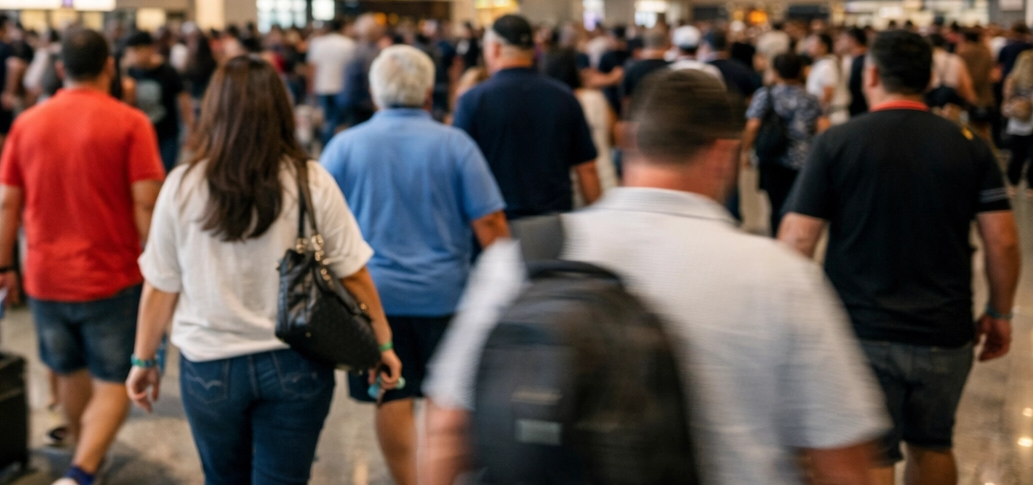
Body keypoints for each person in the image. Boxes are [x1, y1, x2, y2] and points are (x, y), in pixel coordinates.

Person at [420, 69, 888, 485]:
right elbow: (842, 465)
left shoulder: (522, 259)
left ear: (626, 139)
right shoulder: (781, 278)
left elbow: (446, 430)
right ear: (724, 153)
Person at [126, 55, 402, 485]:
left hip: (209, 365)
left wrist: (144, 360)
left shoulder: (182, 185)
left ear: (213, 111)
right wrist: (382, 343)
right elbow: (353, 273)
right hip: (297, 358)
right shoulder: (310, 180)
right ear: (280, 109)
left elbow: (161, 285)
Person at [780, 30, 1021, 485]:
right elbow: (1003, 241)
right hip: (944, 329)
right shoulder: (969, 144)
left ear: (870, 75)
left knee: (872, 452)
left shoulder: (837, 142)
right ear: (929, 79)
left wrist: (788, 318)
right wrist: (1000, 312)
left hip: (859, 328)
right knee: (934, 443)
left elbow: (798, 237)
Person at [0, 28, 166, 485]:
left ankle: (84, 455)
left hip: (45, 277)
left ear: (60, 68)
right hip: (112, 276)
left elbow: (5, 203)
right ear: (110, 67)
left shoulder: (27, 123)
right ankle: (82, 470)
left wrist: (0, 267)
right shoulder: (130, 123)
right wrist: (162, 267)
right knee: (114, 378)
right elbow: (146, 203)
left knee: (68, 370)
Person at [320, 45, 507, 485]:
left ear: (374, 93)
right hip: (446, 296)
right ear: (428, 92)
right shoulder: (455, 144)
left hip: (373, 301)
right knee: (449, 395)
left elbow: (317, 223)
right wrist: (508, 283)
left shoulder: (345, 146)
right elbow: (490, 222)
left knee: (391, 395)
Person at [453, 14, 600, 226]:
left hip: (497, 226)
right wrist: (599, 222)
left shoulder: (473, 101)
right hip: (555, 225)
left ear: (494, 49)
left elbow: (460, 172)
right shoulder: (564, 96)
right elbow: (587, 169)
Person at [743, 52, 827, 235]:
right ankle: (791, 236)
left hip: (772, 158)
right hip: (802, 160)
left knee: (775, 204)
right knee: (795, 204)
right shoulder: (810, 98)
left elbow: (753, 125)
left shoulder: (765, 94)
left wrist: (745, 151)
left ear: (775, 72)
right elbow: (823, 127)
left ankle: (777, 237)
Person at [542, 47, 618, 195]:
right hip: (606, 181)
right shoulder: (595, 98)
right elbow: (613, 138)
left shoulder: (548, 106)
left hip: (571, 188)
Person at [122, 30, 192, 171]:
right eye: (130, 52)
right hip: (140, 135)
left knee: (164, 171)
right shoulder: (128, 73)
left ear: (150, 49)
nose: (133, 56)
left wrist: (191, 128)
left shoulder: (168, 72)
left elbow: (183, 100)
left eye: (137, 51)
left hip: (167, 134)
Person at [305, 18, 356, 137]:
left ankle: (327, 140)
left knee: (328, 120)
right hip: (342, 87)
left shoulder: (318, 43)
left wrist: (310, 86)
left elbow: (312, 67)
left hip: (323, 86)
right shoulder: (348, 44)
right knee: (340, 121)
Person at [1002, 49, 1033, 195]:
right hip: (1027, 122)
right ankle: (1029, 185)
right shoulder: (1015, 81)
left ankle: (1012, 183)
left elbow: (1005, 103)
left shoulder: (1012, 80)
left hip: (1017, 123)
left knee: (1016, 155)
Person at [620, 26, 671, 111]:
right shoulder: (674, 68)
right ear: (667, 44)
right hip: (667, 116)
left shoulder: (633, 68)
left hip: (639, 116)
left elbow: (626, 100)